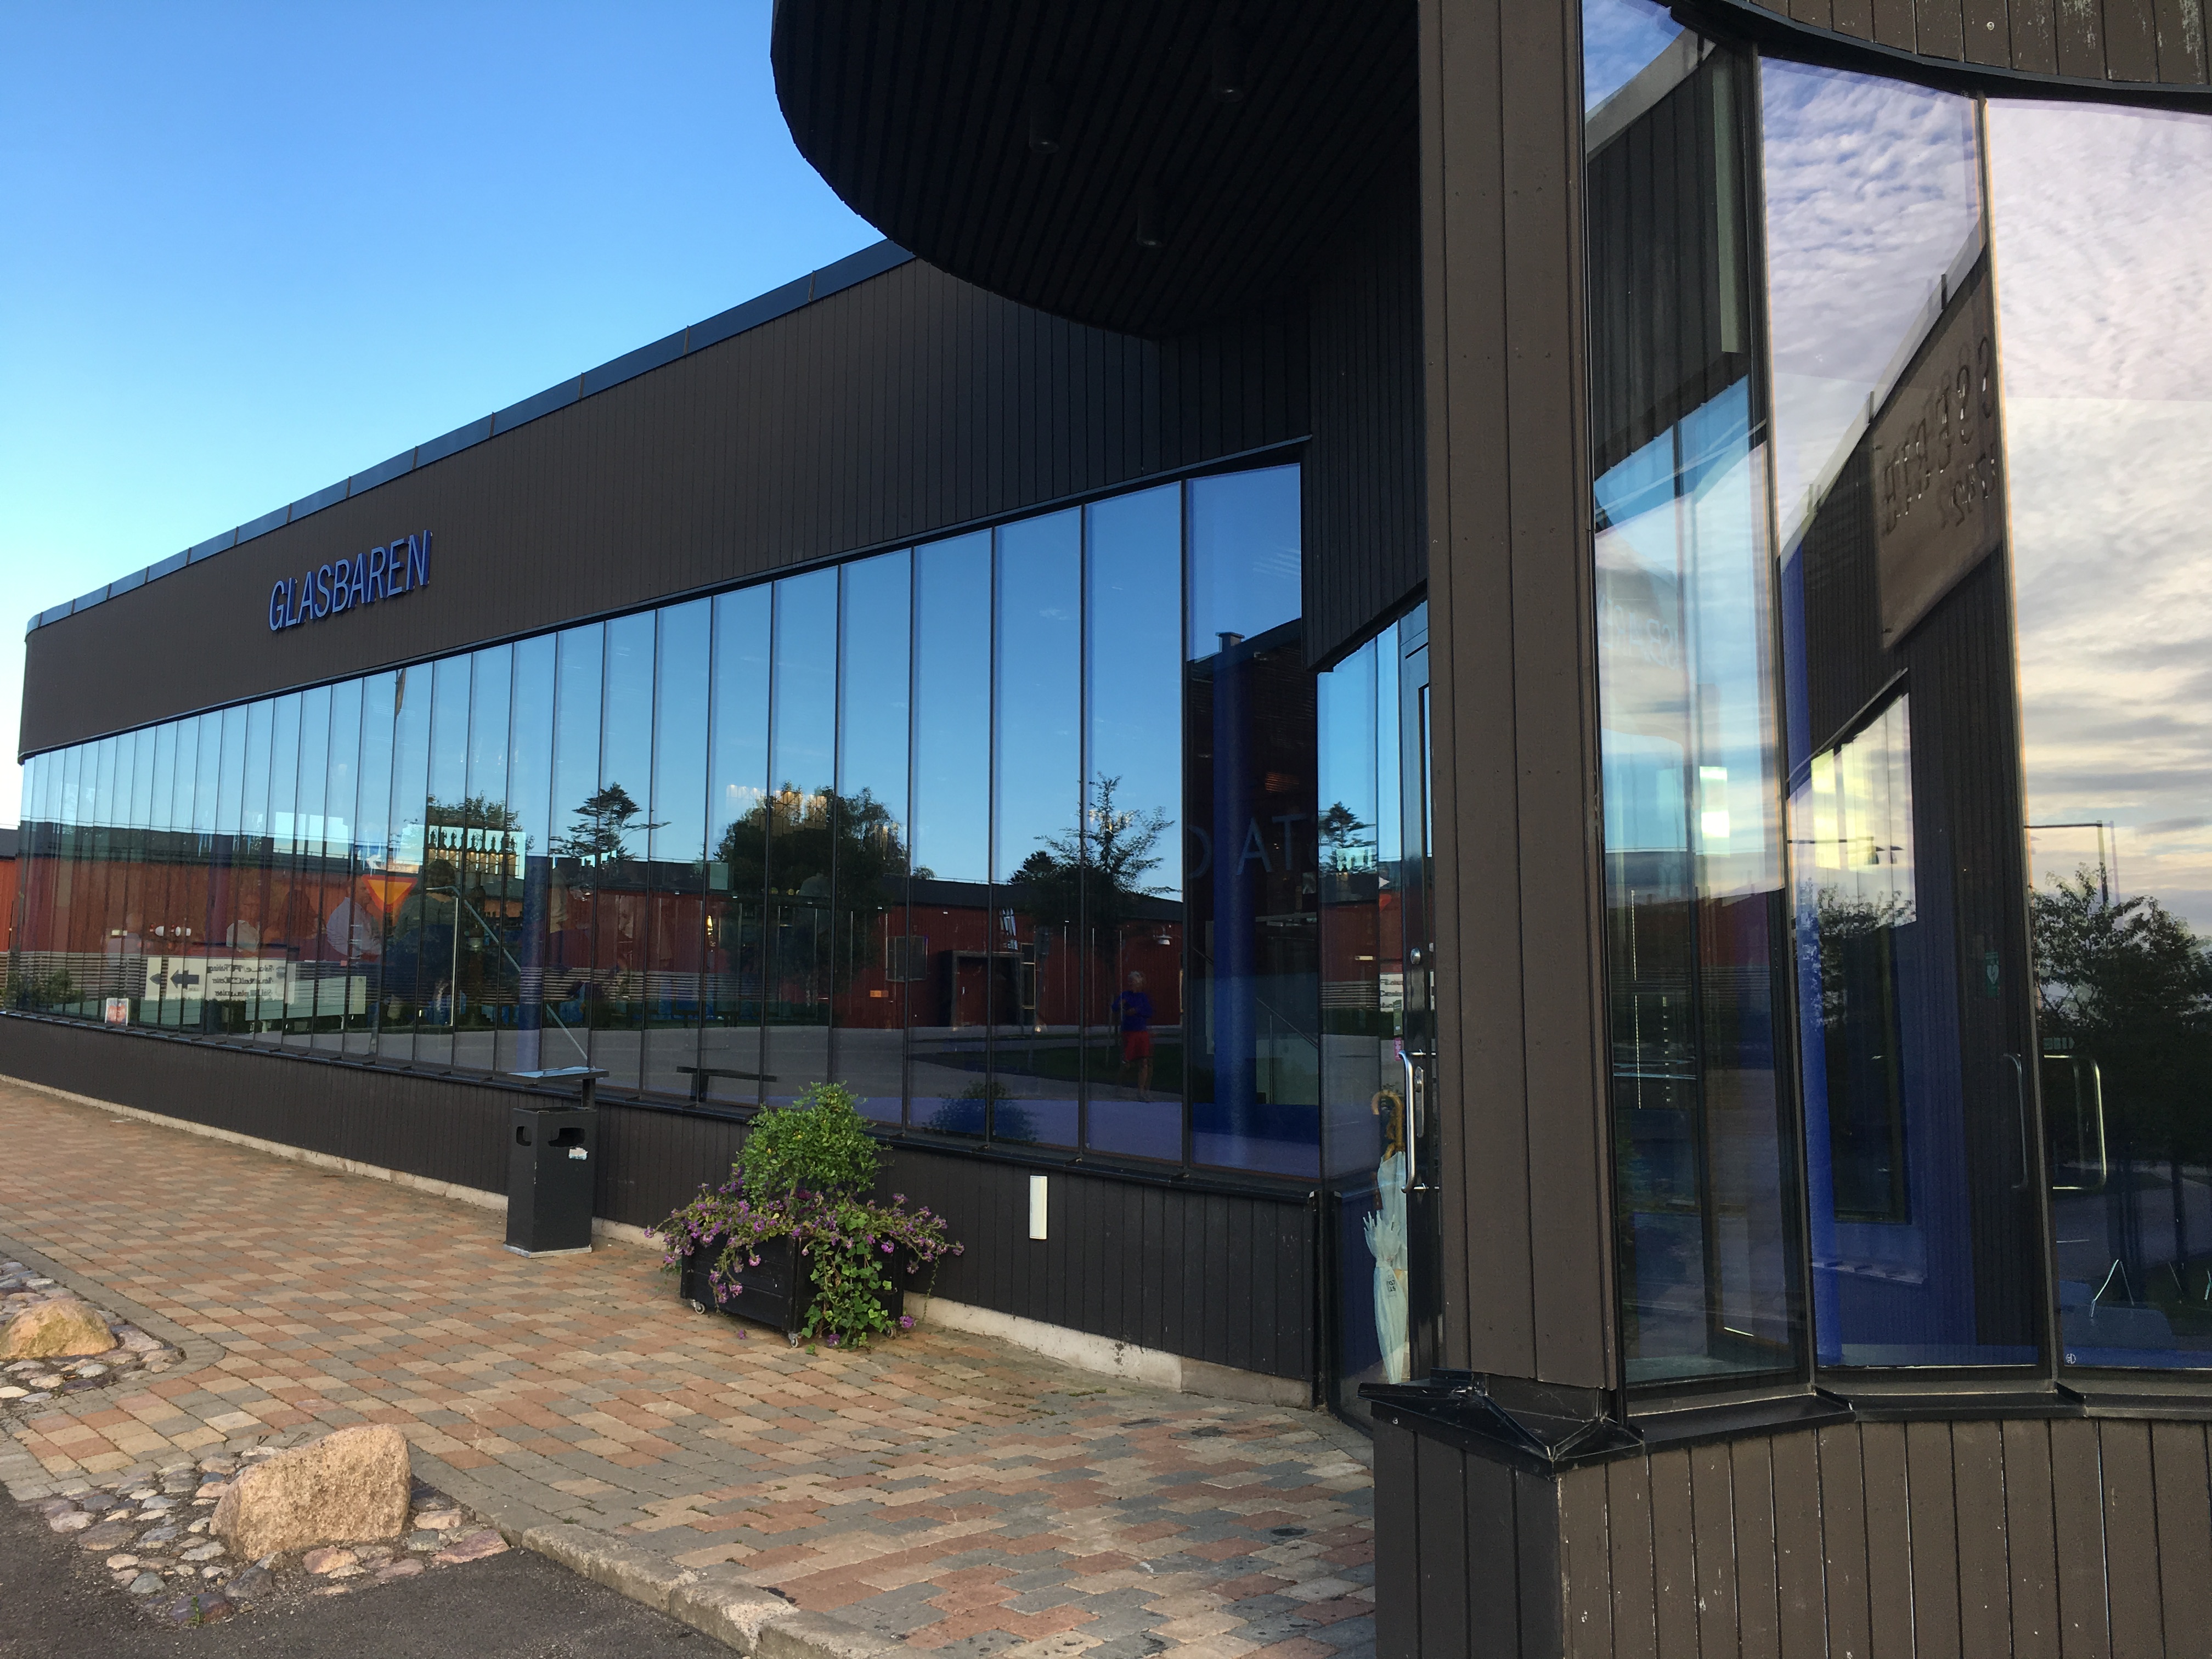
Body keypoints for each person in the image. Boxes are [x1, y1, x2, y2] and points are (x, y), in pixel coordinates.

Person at [1110, 969, 1154, 1101]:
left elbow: (1149, 1012)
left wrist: (1137, 1011)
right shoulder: (1125, 995)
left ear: (1140, 983)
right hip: (1129, 1032)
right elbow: (1115, 1007)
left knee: (1144, 1061)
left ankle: (1141, 1091)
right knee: (1127, 1062)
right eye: (1130, 981)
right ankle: (1119, 1086)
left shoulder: (1143, 997)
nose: (1131, 984)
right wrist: (1120, 1005)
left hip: (1141, 1031)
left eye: (1134, 981)